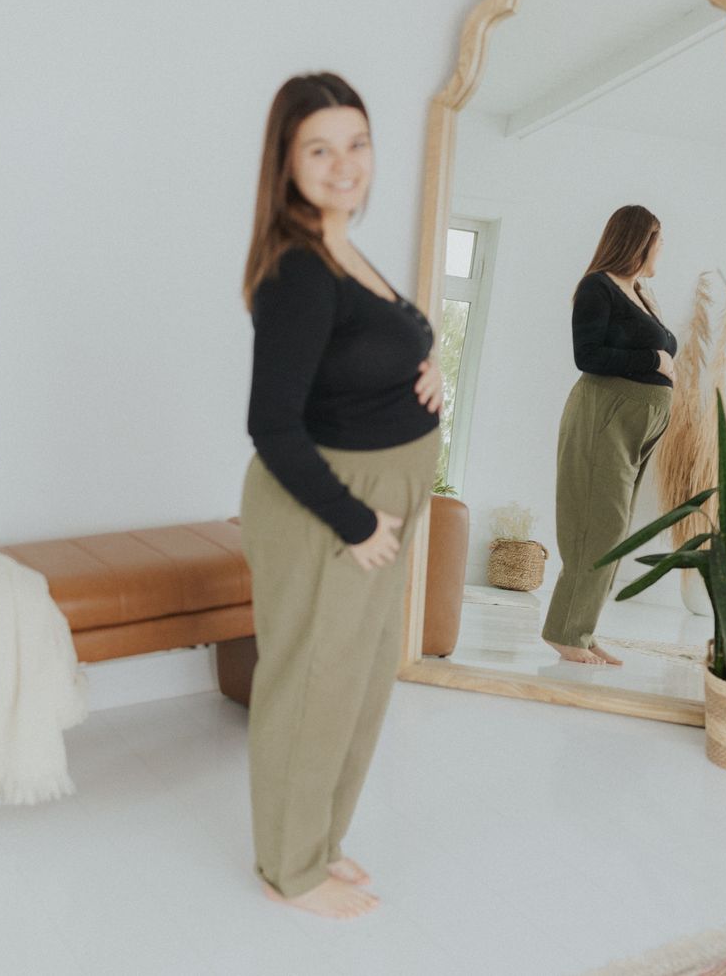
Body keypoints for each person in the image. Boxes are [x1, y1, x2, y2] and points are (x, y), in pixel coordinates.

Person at [238, 72, 443, 920]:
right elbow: (271, 423)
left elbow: (365, 353)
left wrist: (424, 366)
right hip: (332, 506)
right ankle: (289, 868)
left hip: (379, 495)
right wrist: (357, 523)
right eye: (320, 148)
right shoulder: (298, 271)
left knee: (359, 686)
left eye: (356, 142)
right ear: (287, 161)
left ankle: (317, 842)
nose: (344, 162)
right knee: (313, 685)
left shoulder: (344, 244)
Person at [542, 205, 678, 666]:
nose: (663, 250)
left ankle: (582, 629)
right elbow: (587, 355)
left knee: (615, 529)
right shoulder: (596, 286)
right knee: (596, 526)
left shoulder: (640, 292)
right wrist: (653, 362)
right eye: (659, 240)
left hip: (638, 422)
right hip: (605, 415)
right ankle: (564, 632)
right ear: (638, 241)